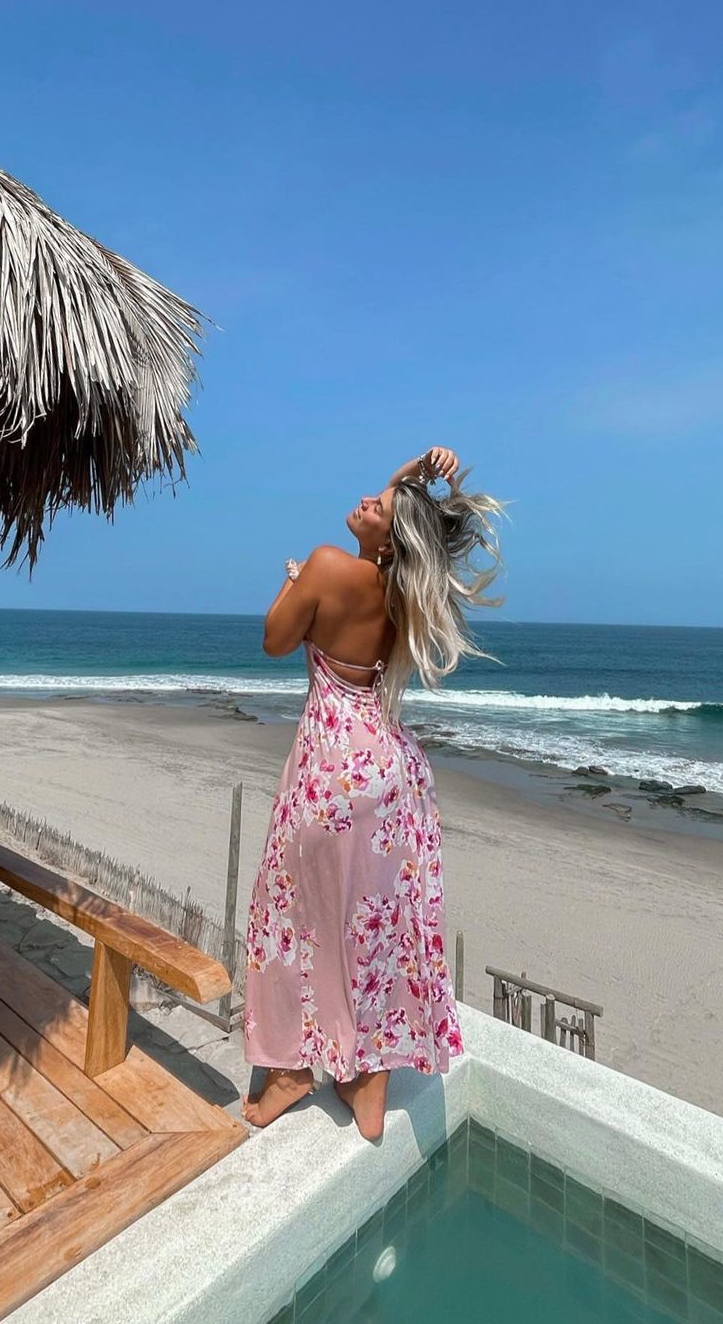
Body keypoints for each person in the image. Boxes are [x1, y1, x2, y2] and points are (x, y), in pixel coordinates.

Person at [241, 446, 505, 1140]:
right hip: (391, 774)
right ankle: (369, 1076)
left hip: (329, 769)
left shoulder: (328, 565)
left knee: (292, 914)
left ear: (390, 538)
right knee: (374, 923)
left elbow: (273, 640)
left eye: (379, 504)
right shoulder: (403, 594)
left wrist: (291, 582)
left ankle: (292, 1068)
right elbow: (401, 520)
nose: (367, 498)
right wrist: (417, 471)